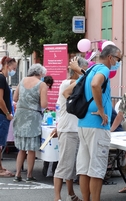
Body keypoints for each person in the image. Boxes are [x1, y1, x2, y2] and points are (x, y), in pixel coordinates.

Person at [63, 44, 122, 201]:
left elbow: (66, 92)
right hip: (97, 125)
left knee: (84, 168)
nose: (119, 62)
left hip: (83, 123)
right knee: (97, 169)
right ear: (110, 57)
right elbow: (96, 84)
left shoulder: (90, 70)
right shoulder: (103, 70)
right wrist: (101, 110)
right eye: (119, 59)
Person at [52, 58, 88, 201]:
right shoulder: (68, 84)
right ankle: (57, 197)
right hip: (68, 130)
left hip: (75, 129)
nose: (85, 71)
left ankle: (71, 194)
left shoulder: (77, 84)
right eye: (84, 68)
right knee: (64, 165)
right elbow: (86, 79)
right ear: (76, 70)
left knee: (71, 166)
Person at [13, 63, 48, 182]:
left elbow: (15, 98)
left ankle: (17, 174)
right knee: (31, 149)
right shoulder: (41, 84)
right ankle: (29, 175)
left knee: (22, 148)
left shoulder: (22, 81)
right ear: (39, 73)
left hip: (20, 115)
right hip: (33, 117)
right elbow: (44, 104)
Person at [0, 56, 17, 177]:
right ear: (7, 65)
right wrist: (7, 113)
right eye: (14, 68)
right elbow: (0, 99)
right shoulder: (1, 78)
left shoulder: (2, 79)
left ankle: (0, 166)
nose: (14, 70)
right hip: (2, 116)